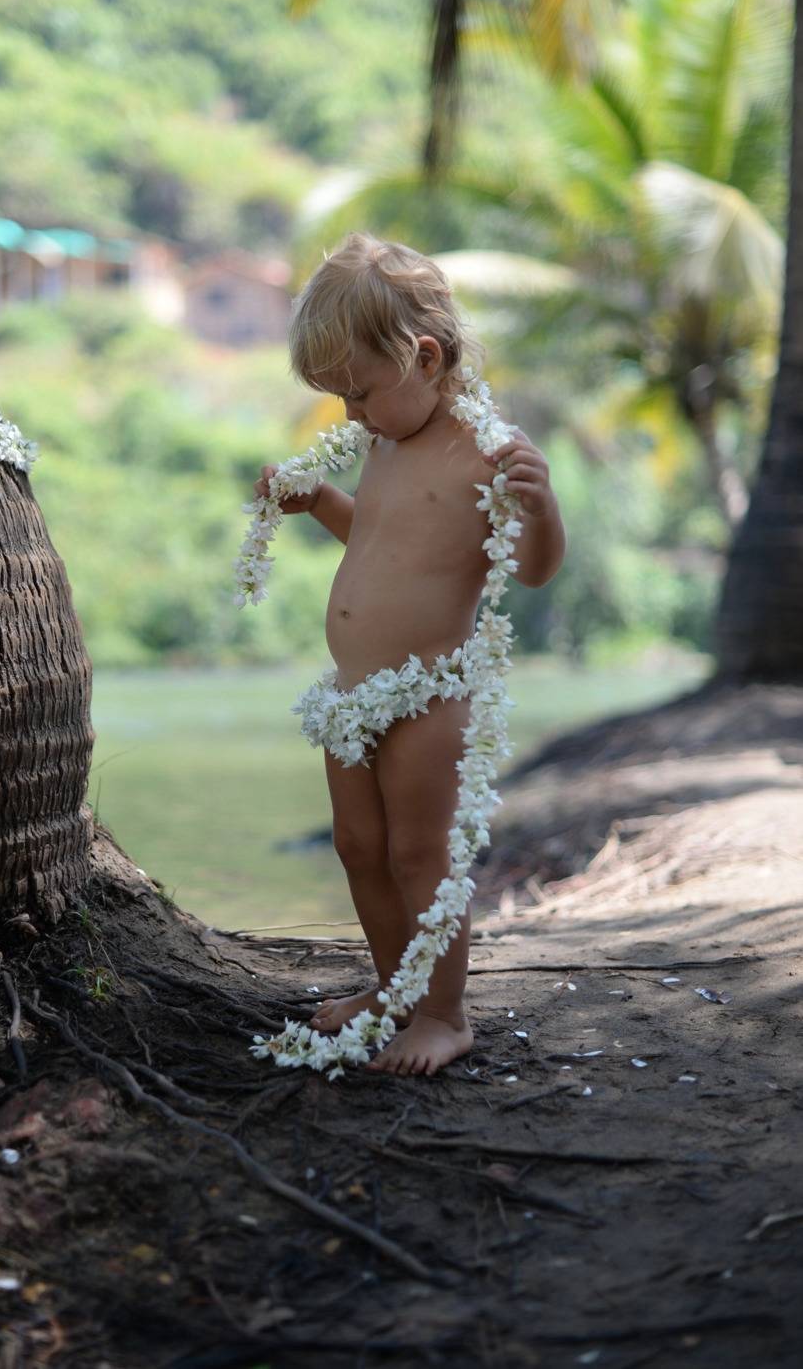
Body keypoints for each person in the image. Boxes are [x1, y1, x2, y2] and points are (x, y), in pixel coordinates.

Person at [252, 233, 566, 1077]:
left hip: (431, 694)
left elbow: (535, 571)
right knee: (358, 846)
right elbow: (381, 543)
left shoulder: (486, 451)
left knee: (419, 855)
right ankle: (394, 991)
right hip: (352, 693)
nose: (351, 415)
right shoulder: (388, 443)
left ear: (424, 358)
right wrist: (322, 499)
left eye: (359, 392)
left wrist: (541, 508)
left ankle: (443, 1014)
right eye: (340, 399)